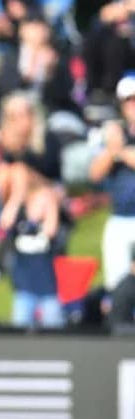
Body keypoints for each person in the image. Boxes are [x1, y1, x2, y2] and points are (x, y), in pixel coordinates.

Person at [0, 174, 64, 329]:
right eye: (40, 202)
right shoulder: (19, 222)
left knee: (54, 331)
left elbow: (51, 230)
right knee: (20, 328)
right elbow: (4, 222)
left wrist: (52, 204)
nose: (43, 207)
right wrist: (17, 196)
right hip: (24, 289)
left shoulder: (49, 226)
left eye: (46, 204)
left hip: (48, 290)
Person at [89, 75, 135, 292]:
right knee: (117, 286)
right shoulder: (113, 134)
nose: (133, 105)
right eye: (129, 100)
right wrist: (110, 149)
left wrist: (121, 152)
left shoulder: (120, 141)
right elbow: (95, 174)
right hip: (120, 217)